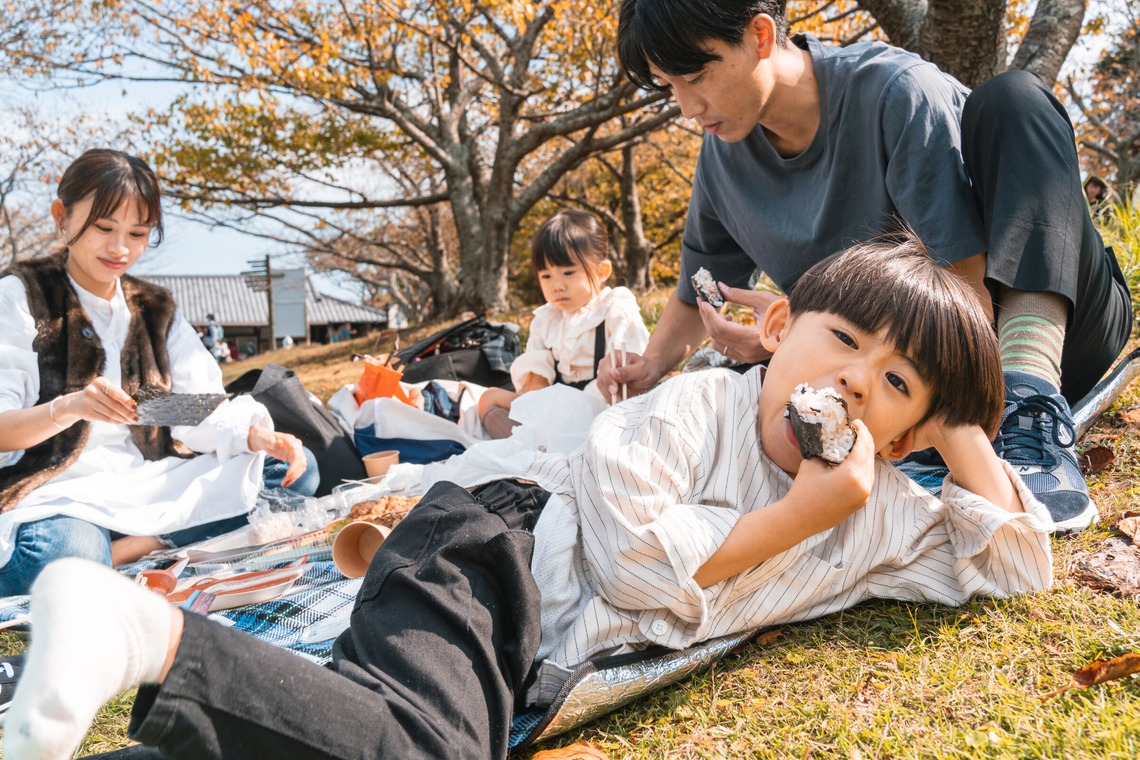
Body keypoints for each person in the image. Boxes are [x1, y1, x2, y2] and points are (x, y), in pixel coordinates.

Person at [3, 236, 1054, 760]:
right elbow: (637, 559)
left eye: (896, 383)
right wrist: (799, 514)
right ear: (779, 329)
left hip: (529, 651)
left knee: (399, 737)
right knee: (425, 746)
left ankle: (120, 647)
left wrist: (951, 418)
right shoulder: (696, 410)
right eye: (845, 341)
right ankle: (142, 632)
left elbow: (1016, 560)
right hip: (488, 548)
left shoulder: (874, 512)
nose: (859, 380)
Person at [601, 0, 1133, 534]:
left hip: (1043, 321)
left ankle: (1028, 411)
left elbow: (963, 292)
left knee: (1015, 98)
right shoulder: (722, 156)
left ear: (760, 36)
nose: (687, 107)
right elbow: (699, 292)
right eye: (667, 84)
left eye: (696, 76)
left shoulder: (897, 91)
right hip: (900, 382)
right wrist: (649, 367)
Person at [0, 149, 319, 597]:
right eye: (104, 228)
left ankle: (134, 548)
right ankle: (115, 552)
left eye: (137, 233)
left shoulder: (153, 307)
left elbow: (183, 408)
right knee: (64, 553)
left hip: (146, 480)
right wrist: (68, 407)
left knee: (294, 472)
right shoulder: (21, 294)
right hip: (57, 490)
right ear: (62, 216)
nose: (119, 249)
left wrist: (252, 436)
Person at [477, 210, 650, 438]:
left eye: (568, 272)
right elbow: (537, 379)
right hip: (556, 403)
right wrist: (536, 404)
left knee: (576, 422)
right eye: (546, 276)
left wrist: (566, 409)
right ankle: (527, 442)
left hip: (603, 403)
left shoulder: (614, 308)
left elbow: (630, 371)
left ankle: (542, 444)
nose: (557, 285)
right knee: (488, 398)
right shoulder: (547, 319)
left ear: (601, 271)